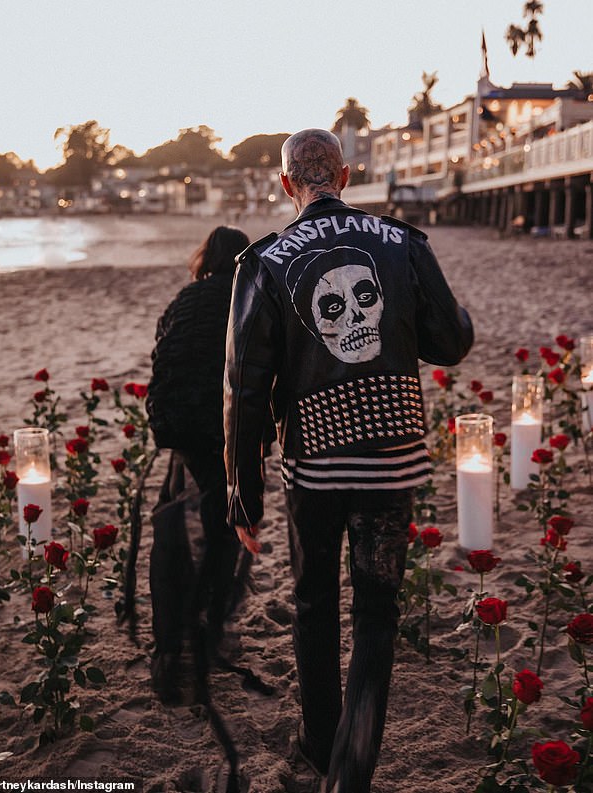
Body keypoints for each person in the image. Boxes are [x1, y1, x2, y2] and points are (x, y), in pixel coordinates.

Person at [223, 129, 473, 791]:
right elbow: (450, 341)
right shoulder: (404, 243)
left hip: (314, 464)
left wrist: (242, 494)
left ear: (286, 185)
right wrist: (447, 314)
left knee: (312, 603)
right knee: (376, 615)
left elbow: (244, 388)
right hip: (391, 459)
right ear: (346, 173)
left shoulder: (265, 261)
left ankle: (317, 743)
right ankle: (353, 767)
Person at [146, 225, 250, 703]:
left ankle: (168, 642)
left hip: (176, 423)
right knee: (224, 523)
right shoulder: (248, 296)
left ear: (205, 257)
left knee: (172, 518)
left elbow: (162, 354)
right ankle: (208, 625)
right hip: (220, 426)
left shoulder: (184, 300)